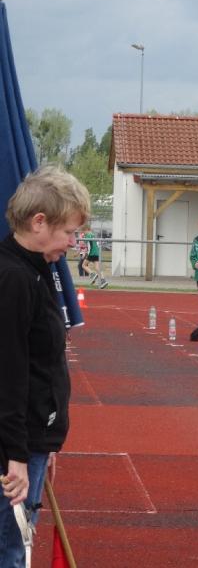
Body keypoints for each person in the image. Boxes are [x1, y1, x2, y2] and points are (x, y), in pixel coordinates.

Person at [0, 166, 91, 568]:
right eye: (68, 231)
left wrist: (46, 442)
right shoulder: (14, 278)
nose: (72, 242)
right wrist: (17, 456)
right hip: (15, 450)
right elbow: (9, 373)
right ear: (39, 222)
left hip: (33, 439)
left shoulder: (38, 271)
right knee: (10, 550)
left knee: (17, 545)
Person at [81, 225, 108, 289]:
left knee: (83, 265)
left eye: (83, 231)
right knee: (97, 267)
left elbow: (87, 244)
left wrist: (85, 253)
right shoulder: (93, 235)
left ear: (87, 229)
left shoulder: (88, 235)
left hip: (92, 252)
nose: (83, 233)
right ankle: (103, 280)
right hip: (97, 252)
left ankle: (93, 274)